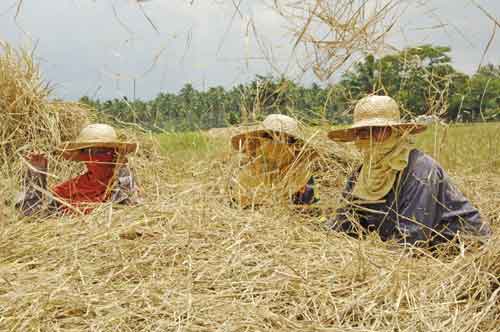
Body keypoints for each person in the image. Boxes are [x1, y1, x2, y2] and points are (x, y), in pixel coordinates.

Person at [325, 95, 491, 246]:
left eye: (378, 129)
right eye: (363, 131)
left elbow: (412, 238)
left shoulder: (421, 170)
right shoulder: (361, 175)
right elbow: (344, 225)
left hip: (462, 250)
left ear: (396, 131)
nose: (369, 137)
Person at [16, 123, 140, 216]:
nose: (96, 158)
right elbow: (31, 211)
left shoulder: (122, 183)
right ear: (83, 156)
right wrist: (37, 172)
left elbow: (126, 210)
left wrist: (121, 169)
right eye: (90, 151)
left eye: (103, 151)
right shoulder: (72, 188)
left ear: (115, 154)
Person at [230, 114, 319, 208]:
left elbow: (305, 210)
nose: (276, 144)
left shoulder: (302, 177)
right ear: (259, 141)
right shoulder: (247, 175)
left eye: (286, 140)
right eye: (270, 137)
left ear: (295, 147)